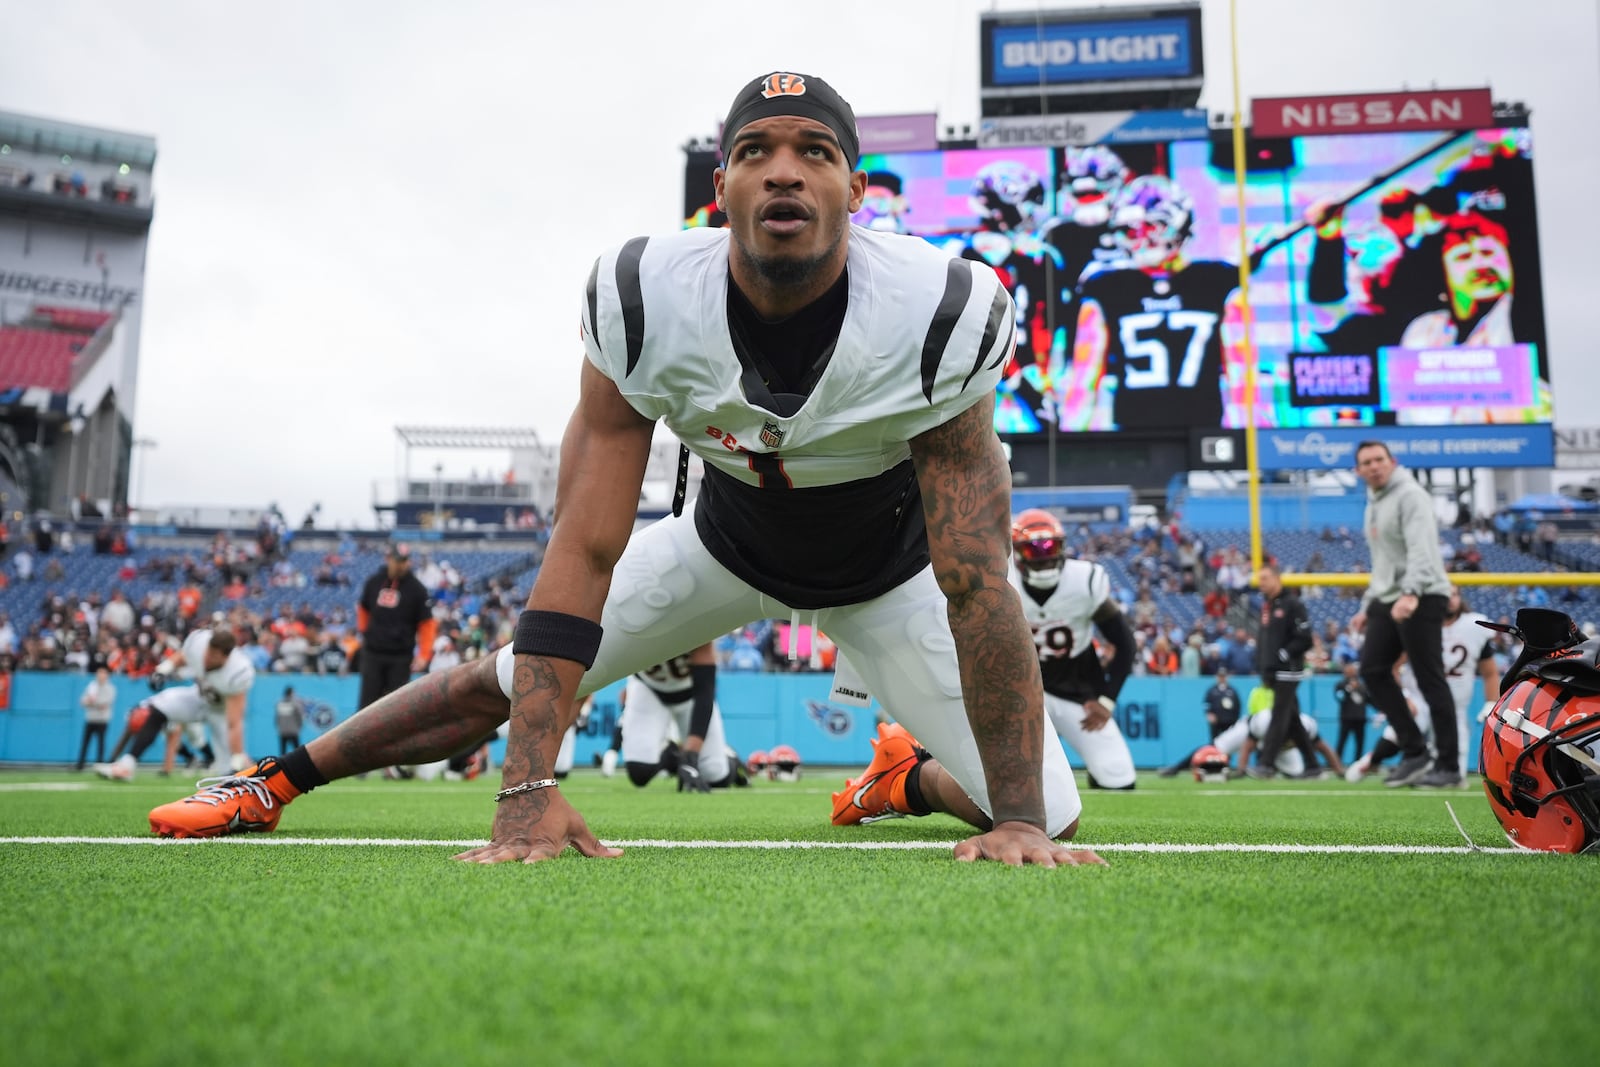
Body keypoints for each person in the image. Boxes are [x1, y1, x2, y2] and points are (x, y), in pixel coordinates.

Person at [148, 71, 1099, 868]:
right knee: (518, 674)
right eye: (756, 150)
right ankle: (270, 780)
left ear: (856, 190)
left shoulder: (940, 309)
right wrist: (526, 790)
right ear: (719, 185)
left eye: (816, 151)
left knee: (1047, 814)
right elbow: (586, 543)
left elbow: (976, 579)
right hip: (725, 546)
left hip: (886, 575)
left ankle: (904, 778)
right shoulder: (643, 299)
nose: (784, 171)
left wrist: (1013, 817)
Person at [1058, 175, 1263, 431]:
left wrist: (1257, 446)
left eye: (1151, 227)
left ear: (1176, 223)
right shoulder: (1106, 286)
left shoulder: (1219, 281)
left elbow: (1243, 376)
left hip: (1203, 432)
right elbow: (1084, 381)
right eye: (1132, 230)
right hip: (1133, 435)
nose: (1141, 239)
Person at [1001, 509, 1137, 791]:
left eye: (1050, 545)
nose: (1043, 555)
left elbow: (1125, 644)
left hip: (1075, 693)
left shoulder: (1085, 581)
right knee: (1002, 779)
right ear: (1016, 551)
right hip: (1019, 691)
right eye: (1034, 548)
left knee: (1118, 777)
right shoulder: (1002, 580)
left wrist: (1107, 700)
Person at [1351, 440, 1457, 788]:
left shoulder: (1410, 495)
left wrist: (1411, 593)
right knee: (1373, 669)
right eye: (1366, 462)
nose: (1373, 466)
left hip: (1422, 593)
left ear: (1392, 461)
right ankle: (1415, 752)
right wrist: (1368, 605)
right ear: (1358, 470)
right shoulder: (1374, 502)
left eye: (1379, 459)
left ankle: (1449, 766)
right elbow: (1383, 562)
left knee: (1429, 678)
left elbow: (1422, 550)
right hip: (1389, 595)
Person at [1347, 586, 1500, 782]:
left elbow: (1490, 672)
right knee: (1398, 731)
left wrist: (1490, 702)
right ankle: (1372, 761)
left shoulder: (1473, 626)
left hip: (1456, 705)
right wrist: (1405, 697)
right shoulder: (1421, 626)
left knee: (1456, 768)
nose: (1450, 600)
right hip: (1420, 698)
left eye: (1454, 594)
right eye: (1446, 594)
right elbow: (1391, 666)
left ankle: (1426, 770)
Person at [94, 629, 255, 783]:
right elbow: (184, 657)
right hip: (198, 696)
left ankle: (246, 766)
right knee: (158, 706)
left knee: (231, 771)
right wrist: (164, 669)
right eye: (207, 652)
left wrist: (236, 757)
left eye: (213, 656)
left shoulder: (238, 671)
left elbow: (234, 722)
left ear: (226, 658)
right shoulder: (199, 642)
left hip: (221, 711)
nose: (206, 659)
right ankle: (127, 765)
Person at [616, 643, 736, 790]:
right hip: (648, 688)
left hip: (690, 694)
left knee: (714, 774)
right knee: (639, 772)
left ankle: (732, 760)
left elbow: (705, 692)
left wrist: (691, 755)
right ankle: (672, 756)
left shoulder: (696, 624)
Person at [1247, 563, 1320, 779]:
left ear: (1277, 579)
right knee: (1292, 718)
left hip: (1289, 670)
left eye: (1265, 578)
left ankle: (1266, 764)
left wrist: (1284, 655)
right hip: (1274, 670)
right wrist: (1264, 666)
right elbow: (1266, 640)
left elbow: (1305, 637)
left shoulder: (1293, 604)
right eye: (1260, 579)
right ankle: (1313, 765)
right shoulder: (1268, 605)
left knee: (1279, 715)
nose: (1261, 583)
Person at [356, 545, 436, 714]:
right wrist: (365, 632)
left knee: (397, 710)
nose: (400, 565)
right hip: (373, 653)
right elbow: (363, 608)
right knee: (366, 708)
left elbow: (427, 624)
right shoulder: (374, 582)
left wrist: (423, 654)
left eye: (404, 561)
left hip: (400, 657)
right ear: (388, 559)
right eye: (397, 560)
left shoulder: (417, 589)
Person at [75, 666, 116, 770]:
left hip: (102, 720)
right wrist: (90, 702)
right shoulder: (92, 686)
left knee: (101, 743)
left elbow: (104, 703)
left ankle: (100, 764)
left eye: (103, 673)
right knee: (85, 743)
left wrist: (91, 702)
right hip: (90, 718)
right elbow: (83, 701)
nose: (100, 676)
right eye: (99, 673)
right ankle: (80, 765)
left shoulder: (110, 688)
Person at [1333, 660, 1370, 765]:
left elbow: (1368, 700)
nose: (1351, 673)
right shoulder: (1340, 684)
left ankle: (1357, 763)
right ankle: (1336, 763)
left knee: (1360, 742)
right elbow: (1339, 697)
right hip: (1346, 717)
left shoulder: (1362, 685)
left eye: (1353, 670)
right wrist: (1349, 689)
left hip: (1360, 717)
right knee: (1342, 740)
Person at [1202, 666, 1241, 739]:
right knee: (1214, 742)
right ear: (1216, 677)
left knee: (1229, 741)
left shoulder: (1232, 691)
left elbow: (1237, 706)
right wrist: (1209, 714)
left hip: (1229, 722)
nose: (1222, 678)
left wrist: (1235, 720)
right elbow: (1206, 704)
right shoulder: (1212, 690)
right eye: (1220, 676)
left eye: (1223, 676)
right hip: (1216, 722)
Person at [275, 685, 305, 756]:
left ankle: (282, 766)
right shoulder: (295, 704)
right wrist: (299, 727)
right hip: (293, 731)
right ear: (291, 693)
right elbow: (300, 717)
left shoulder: (279, 704)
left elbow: (277, 718)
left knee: (283, 752)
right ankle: (299, 765)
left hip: (283, 731)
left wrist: (280, 727)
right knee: (298, 752)